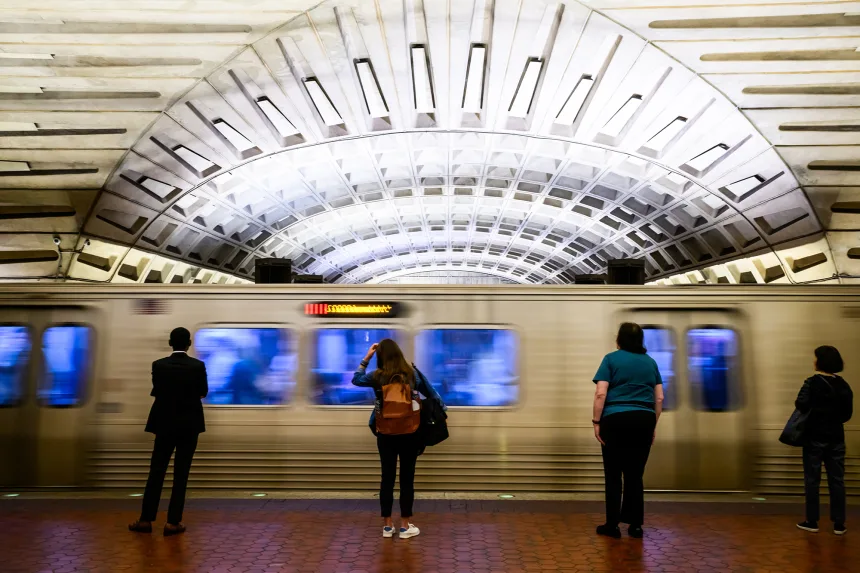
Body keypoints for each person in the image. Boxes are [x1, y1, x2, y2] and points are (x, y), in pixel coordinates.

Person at [352, 339, 445, 539]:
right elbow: (434, 395)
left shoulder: (377, 376)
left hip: (385, 433)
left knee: (387, 478)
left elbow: (356, 379)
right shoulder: (412, 373)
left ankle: (387, 526)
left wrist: (366, 358)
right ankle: (404, 526)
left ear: (380, 356)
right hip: (410, 433)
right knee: (407, 479)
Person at [129, 327, 208, 536]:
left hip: (164, 424)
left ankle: (146, 520)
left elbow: (157, 390)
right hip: (189, 425)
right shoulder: (198, 366)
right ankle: (173, 523)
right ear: (189, 344)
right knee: (181, 474)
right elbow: (203, 392)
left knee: (156, 472)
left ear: (170, 343)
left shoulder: (159, 365)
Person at [592, 323, 664, 539]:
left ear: (619, 339)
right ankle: (636, 526)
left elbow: (600, 394)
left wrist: (596, 422)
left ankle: (612, 526)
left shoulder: (611, 359)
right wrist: (652, 425)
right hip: (643, 419)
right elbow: (659, 397)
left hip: (615, 420)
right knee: (635, 475)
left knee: (613, 475)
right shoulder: (650, 363)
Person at [795, 346, 853, 536]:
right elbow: (847, 414)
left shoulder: (812, 383)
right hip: (836, 438)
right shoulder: (843, 385)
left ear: (820, 362)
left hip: (814, 439)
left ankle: (812, 521)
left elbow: (800, 404)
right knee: (837, 480)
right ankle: (839, 524)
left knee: (812, 480)